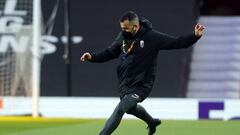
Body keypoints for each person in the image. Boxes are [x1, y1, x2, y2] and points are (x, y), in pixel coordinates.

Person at [80, 11, 205, 135]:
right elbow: (109, 53)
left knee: (121, 109)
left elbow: (177, 42)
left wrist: (195, 36)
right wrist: (92, 57)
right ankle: (152, 122)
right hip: (125, 82)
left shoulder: (152, 37)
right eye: (122, 28)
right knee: (130, 109)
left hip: (142, 84)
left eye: (125, 28)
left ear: (135, 26)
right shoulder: (123, 36)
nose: (123, 31)